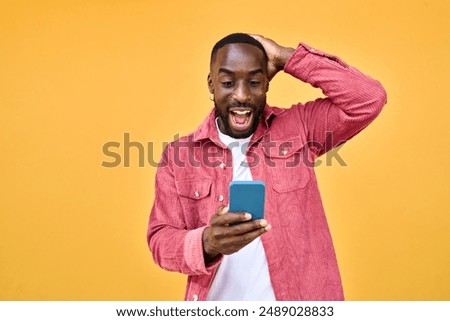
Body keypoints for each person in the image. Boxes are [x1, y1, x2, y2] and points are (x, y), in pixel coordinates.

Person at [147, 33, 387, 301]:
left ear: (267, 85)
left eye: (254, 82)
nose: (242, 95)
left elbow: (369, 99)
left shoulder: (300, 127)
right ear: (211, 85)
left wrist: (287, 57)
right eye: (227, 82)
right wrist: (207, 242)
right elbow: (160, 240)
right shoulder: (179, 155)